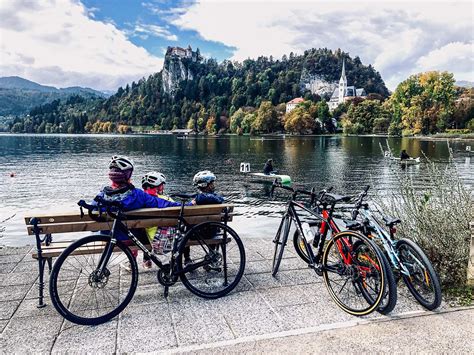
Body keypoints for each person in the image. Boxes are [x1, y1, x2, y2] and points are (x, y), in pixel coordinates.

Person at [93, 155, 184, 271]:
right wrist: (188, 205)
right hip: (130, 239)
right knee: (141, 228)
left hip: (109, 238)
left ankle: (135, 263)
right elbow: (161, 203)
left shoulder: (101, 196)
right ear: (128, 175)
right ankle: (147, 260)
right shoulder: (137, 195)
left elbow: (94, 226)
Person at [183, 170, 224, 267]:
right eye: (212, 183)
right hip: (211, 233)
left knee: (183, 230)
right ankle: (210, 255)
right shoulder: (217, 199)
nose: (214, 185)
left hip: (193, 234)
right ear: (207, 185)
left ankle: (187, 259)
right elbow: (220, 199)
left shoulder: (197, 199)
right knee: (212, 224)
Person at [141, 171, 176, 268]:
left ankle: (146, 259)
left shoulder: (139, 200)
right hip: (165, 240)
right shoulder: (165, 199)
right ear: (158, 187)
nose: (163, 187)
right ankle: (187, 259)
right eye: (162, 185)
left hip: (146, 240)